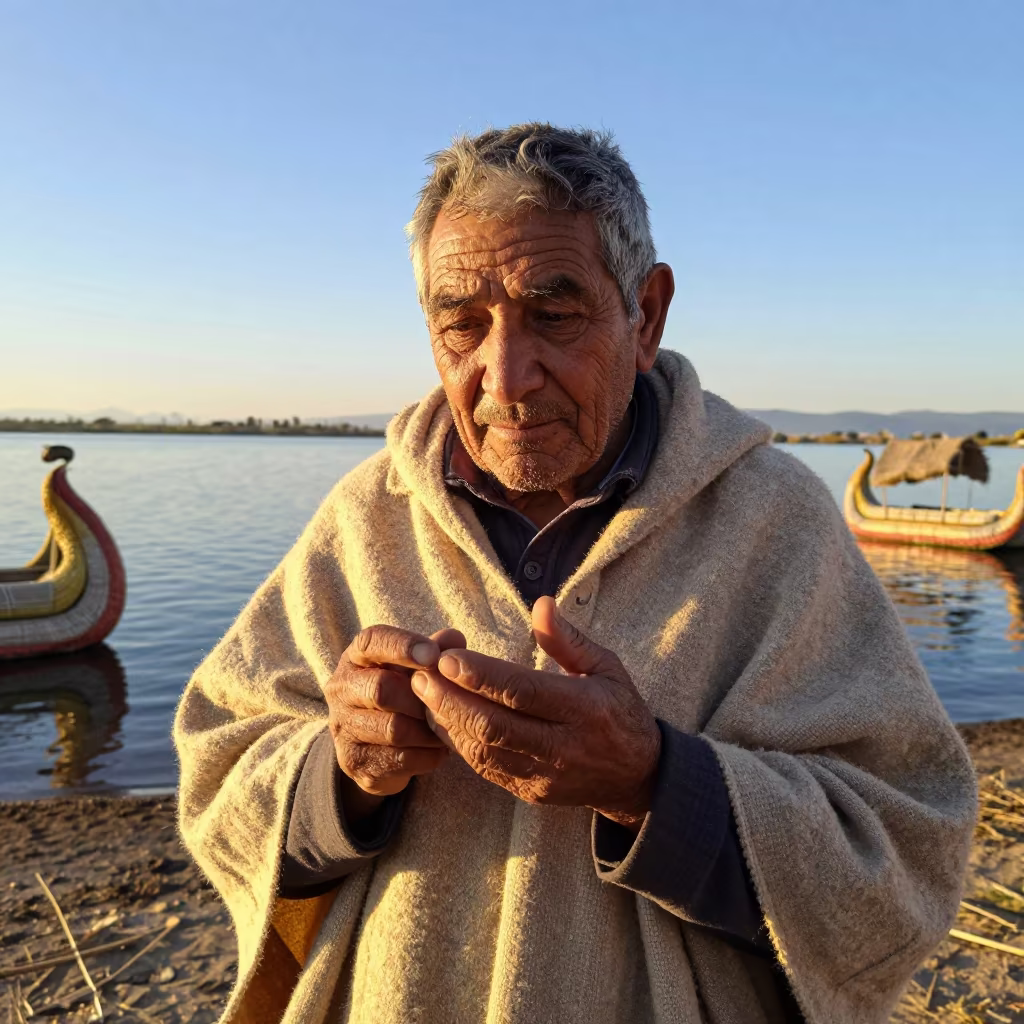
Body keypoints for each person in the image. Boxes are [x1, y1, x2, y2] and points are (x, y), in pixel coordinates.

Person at [174, 124, 976, 1024]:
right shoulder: (366, 517)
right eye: (461, 325)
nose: (506, 377)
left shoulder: (772, 519)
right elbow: (219, 766)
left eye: (554, 317)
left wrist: (655, 783)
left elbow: (910, 844)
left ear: (647, 314)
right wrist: (342, 770)